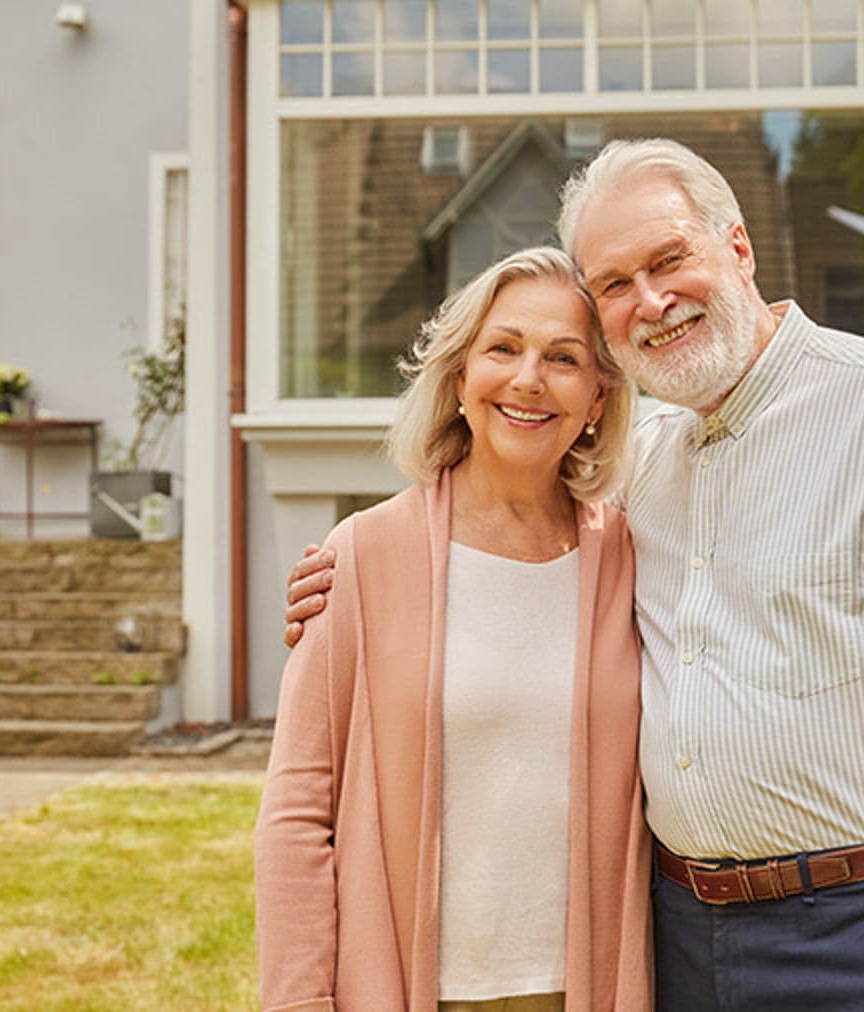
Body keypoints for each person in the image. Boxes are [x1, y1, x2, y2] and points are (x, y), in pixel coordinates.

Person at [287, 139, 864, 1012]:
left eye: (669, 260)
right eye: (617, 285)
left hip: (861, 931)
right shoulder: (644, 473)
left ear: (737, 247)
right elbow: (506, 501)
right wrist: (357, 573)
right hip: (675, 938)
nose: (652, 301)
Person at [255, 246, 652, 1012]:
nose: (529, 378)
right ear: (460, 377)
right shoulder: (363, 555)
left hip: (588, 986)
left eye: (564, 358)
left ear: (598, 397)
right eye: (503, 348)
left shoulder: (631, 559)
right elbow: (298, 812)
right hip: (409, 988)